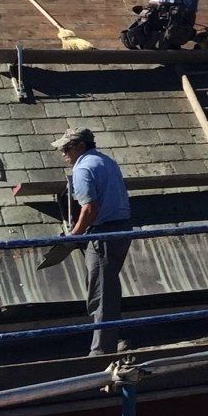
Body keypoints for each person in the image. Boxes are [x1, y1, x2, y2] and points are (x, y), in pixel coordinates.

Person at [54, 127, 132, 355]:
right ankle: (112, 338)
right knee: (108, 286)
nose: (63, 153)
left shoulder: (83, 168)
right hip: (120, 229)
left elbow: (89, 208)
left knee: (100, 291)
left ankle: (101, 351)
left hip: (102, 234)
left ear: (80, 146)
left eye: (66, 148)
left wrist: (74, 235)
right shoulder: (106, 161)